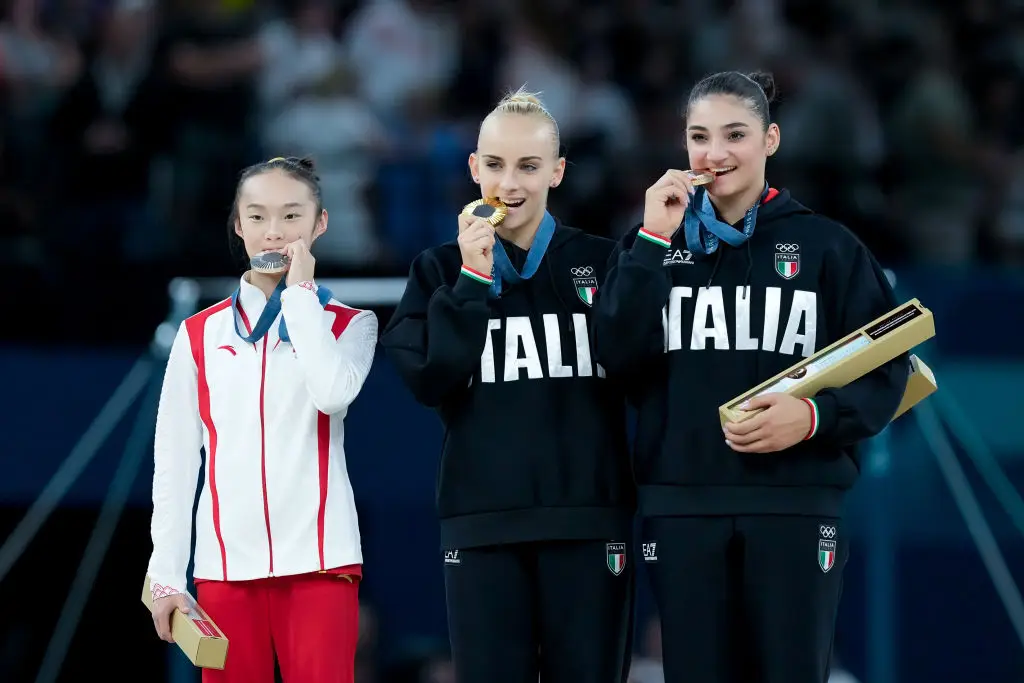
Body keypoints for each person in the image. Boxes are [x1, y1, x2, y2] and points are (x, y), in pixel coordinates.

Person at [593, 71, 911, 683]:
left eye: (735, 134)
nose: (715, 153)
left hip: (795, 505)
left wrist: (815, 416)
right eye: (699, 136)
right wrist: (653, 239)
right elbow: (615, 355)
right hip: (683, 508)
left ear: (771, 140)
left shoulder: (828, 247)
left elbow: (888, 363)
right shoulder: (649, 244)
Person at [379, 88, 635, 683]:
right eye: (494, 164)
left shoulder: (606, 262)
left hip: (588, 521)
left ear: (557, 172)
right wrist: (472, 279)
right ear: (474, 167)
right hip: (482, 523)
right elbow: (430, 379)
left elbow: (644, 366)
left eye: (528, 166)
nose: (509, 183)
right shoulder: (438, 270)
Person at [146, 156, 379, 683]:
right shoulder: (199, 335)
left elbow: (332, 394)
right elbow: (175, 462)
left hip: (321, 562)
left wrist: (301, 297)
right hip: (224, 569)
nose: (273, 231)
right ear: (238, 225)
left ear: (320, 223)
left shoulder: (350, 324)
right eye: (257, 216)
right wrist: (165, 576)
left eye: (291, 216)